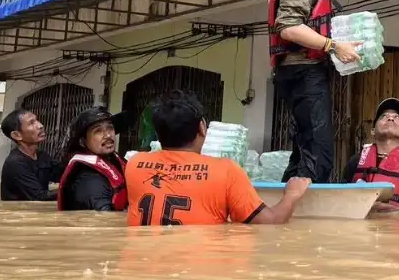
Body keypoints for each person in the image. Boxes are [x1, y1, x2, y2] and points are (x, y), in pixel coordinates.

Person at [266, 0, 361, 183]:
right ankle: (306, 213)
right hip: (303, 73)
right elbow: (289, 27)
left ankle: (287, 206)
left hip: (298, 73)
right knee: (318, 153)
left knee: (305, 149)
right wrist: (334, 46)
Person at [125, 90, 309, 225]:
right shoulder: (225, 171)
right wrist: (292, 195)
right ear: (202, 127)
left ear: (158, 133)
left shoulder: (134, 165)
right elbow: (270, 222)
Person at [344, 98, 399, 213]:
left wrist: (393, 209)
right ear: (372, 130)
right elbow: (341, 199)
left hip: (396, 226)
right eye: (384, 117)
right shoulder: (356, 160)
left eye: (397, 117)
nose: (390, 118)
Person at [57, 107, 129, 212]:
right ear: (83, 142)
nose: (108, 135)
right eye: (98, 131)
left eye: (110, 128)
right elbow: (106, 219)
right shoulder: (88, 178)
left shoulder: (115, 160)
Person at [0, 109, 64, 202]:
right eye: (31, 123)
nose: (40, 125)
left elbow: (63, 175)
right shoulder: (15, 163)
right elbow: (39, 197)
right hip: (21, 215)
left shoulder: (42, 155)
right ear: (17, 135)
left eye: (37, 120)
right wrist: (73, 190)